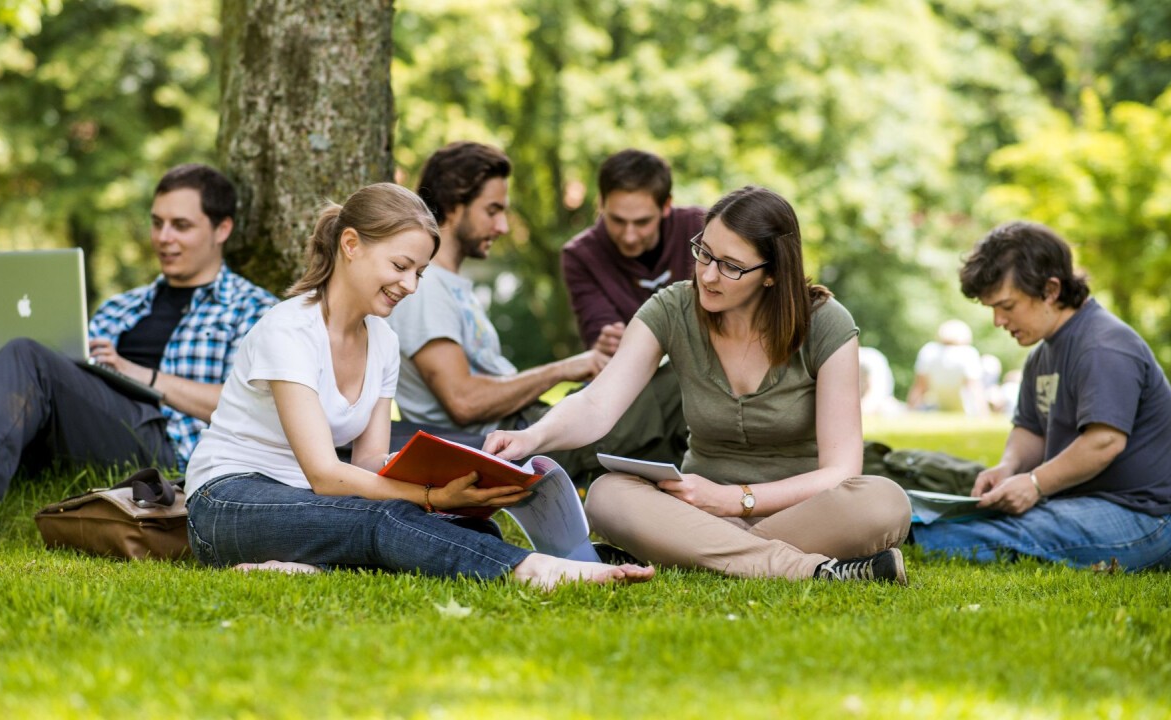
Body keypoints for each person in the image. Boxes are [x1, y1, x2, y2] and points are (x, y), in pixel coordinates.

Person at [183, 183, 654, 589]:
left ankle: (311, 567)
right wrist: (429, 498)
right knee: (389, 519)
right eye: (401, 266)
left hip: (308, 502)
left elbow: (368, 464)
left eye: (420, 273)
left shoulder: (383, 340)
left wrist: (446, 483)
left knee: (469, 529)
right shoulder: (288, 330)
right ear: (351, 244)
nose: (410, 285)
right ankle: (534, 571)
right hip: (229, 501)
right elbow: (327, 475)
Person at [485, 186, 913, 583]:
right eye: (703, 253)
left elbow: (840, 471)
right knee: (606, 494)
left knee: (885, 502)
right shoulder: (672, 308)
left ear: (772, 274)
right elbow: (598, 403)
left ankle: (685, 552)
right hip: (692, 511)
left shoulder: (826, 323)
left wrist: (734, 501)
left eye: (730, 266)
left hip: (799, 512)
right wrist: (532, 437)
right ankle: (810, 570)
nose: (708, 276)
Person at [0, 164, 276, 542]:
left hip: (162, 443)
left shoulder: (254, 310)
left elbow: (246, 407)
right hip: (79, 429)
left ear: (222, 229)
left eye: (180, 225)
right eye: (157, 223)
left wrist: (138, 374)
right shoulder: (122, 306)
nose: (163, 237)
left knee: (27, 355)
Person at [388, 142, 682, 482]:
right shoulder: (427, 288)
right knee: (681, 379)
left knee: (684, 423)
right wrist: (566, 367)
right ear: (455, 205)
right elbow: (463, 402)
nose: (503, 227)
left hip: (530, 425)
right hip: (511, 443)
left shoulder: (450, 286)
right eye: (493, 210)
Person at [912, 221, 1171, 571]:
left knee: (1007, 530)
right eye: (992, 308)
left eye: (1007, 306)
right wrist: (1009, 467)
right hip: (1076, 504)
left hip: (1147, 520)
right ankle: (902, 529)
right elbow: (1031, 429)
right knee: (989, 516)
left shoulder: (1103, 345)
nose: (998, 320)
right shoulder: (1041, 355)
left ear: (1051, 290)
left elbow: (1104, 441)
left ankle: (903, 540)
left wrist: (1035, 483)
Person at [559, 149, 699, 459]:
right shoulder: (581, 256)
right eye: (617, 220)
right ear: (601, 205)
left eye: (642, 222)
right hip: (635, 389)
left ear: (666, 206)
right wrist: (610, 339)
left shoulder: (702, 230)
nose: (630, 235)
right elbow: (606, 347)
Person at [906, 319, 987, 415]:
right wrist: (984, 413)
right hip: (965, 409)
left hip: (936, 407)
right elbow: (975, 388)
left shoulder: (929, 351)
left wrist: (909, 410)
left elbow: (919, 386)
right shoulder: (968, 353)